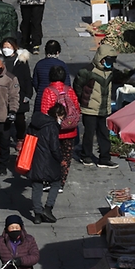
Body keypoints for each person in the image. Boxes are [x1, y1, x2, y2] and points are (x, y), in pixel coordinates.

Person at [73, 44, 119, 169]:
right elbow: (77, 87)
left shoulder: (110, 72)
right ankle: (85, 156)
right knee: (89, 133)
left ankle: (104, 158)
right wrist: (83, 100)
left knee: (104, 133)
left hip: (104, 109)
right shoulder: (87, 72)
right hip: (90, 109)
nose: (110, 63)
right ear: (102, 58)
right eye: (109, 60)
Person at [40, 65, 79, 193]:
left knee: (50, 156)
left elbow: (44, 112)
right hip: (70, 131)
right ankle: (60, 183)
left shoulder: (48, 91)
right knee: (66, 158)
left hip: (53, 132)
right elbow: (76, 109)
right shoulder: (70, 90)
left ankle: (48, 181)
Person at [26, 103, 66, 224]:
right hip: (49, 161)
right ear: (58, 115)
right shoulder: (52, 127)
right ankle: (48, 208)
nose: (62, 120)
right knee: (56, 182)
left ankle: (37, 214)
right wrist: (61, 159)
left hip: (34, 159)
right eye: (62, 117)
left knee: (37, 185)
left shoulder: (35, 123)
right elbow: (54, 147)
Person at [0, 37, 33, 149]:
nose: (6, 49)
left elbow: (27, 78)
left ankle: (20, 138)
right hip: (3, 93)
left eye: (8, 47)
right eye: (4, 47)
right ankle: (3, 140)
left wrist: (28, 94)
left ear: (14, 47)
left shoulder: (21, 61)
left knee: (19, 119)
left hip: (19, 93)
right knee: (4, 119)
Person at [32, 40, 69, 113]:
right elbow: (67, 85)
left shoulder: (39, 64)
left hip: (41, 98)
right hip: (58, 100)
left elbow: (35, 83)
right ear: (58, 52)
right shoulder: (62, 65)